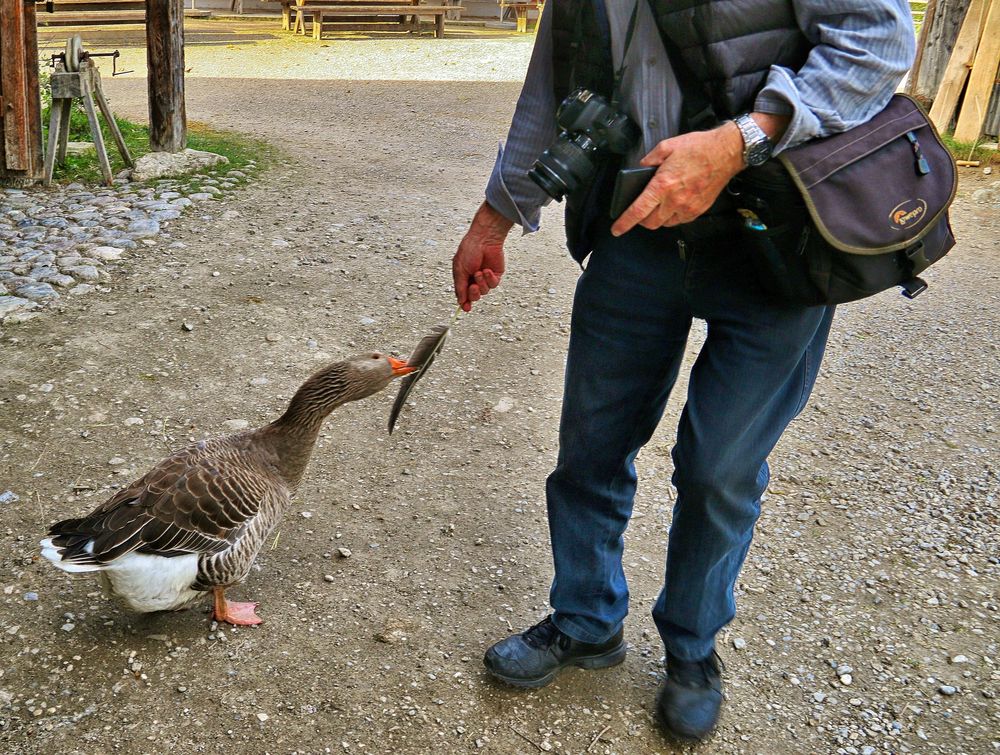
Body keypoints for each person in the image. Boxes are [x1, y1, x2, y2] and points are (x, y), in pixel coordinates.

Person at [451, 0, 916, 742]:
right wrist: (493, 218)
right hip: (635, 226)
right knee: (591, 447)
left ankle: (692, 648)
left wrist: (740, 141)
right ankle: (587, 618)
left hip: (774, 231)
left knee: (718, 468)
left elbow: (880, 40)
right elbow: (550, 88)